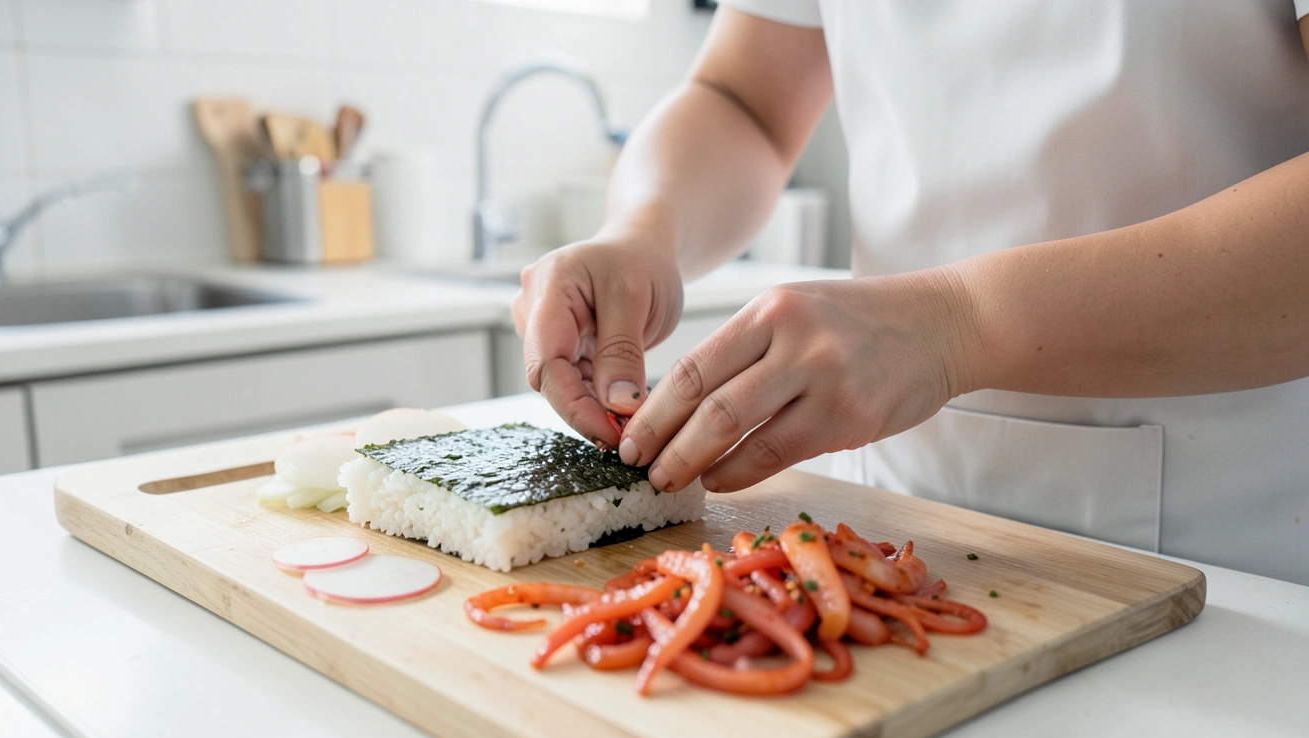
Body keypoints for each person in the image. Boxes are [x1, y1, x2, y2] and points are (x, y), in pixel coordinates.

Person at [511, 0, 1309, 585]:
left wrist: (959, 325)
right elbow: (744, 98)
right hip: (892, 528)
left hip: (1232, 558)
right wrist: (643, 229)